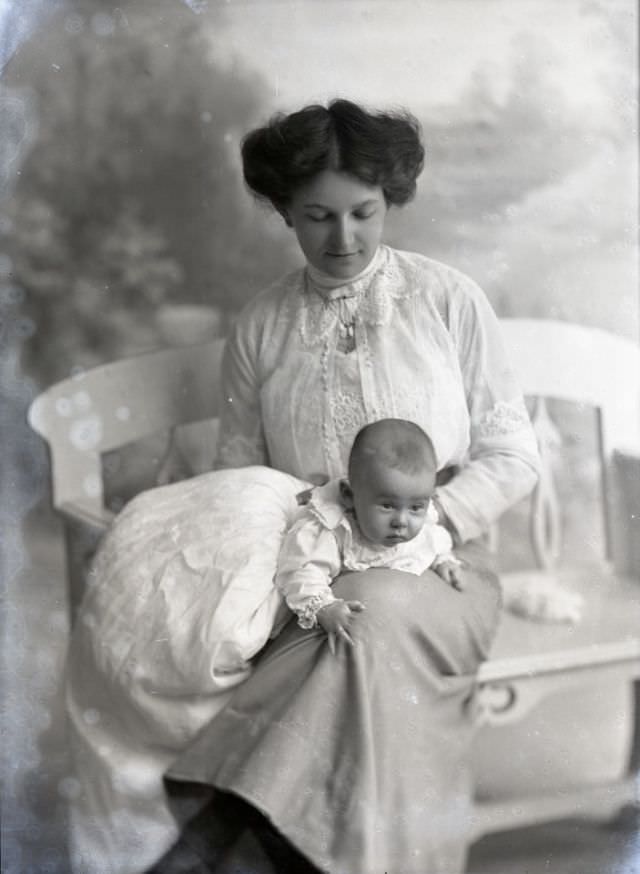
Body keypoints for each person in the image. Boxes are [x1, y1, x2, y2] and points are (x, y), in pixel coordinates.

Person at [148, 98, 540, 874]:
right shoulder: (262, 326)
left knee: (376, 611)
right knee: (343, 631)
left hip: (443, 575)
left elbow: (513, 454)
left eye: (363, 212)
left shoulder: (448, 301)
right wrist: (313, 563)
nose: (344, 238)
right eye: (317, 216)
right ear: (285, 213)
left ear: (388, 200)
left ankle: (220, 831)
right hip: (311, 582)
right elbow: (243, 480)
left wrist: (425, 528)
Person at [278, 417, 464, 652]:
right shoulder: (335, 532)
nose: (401, 521)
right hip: (350, 615)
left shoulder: (423, 525)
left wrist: (444, 561)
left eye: (416, 507)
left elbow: (434, 542)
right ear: (348, 495)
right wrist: (323, 607)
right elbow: (303, 571)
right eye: (387, 505)